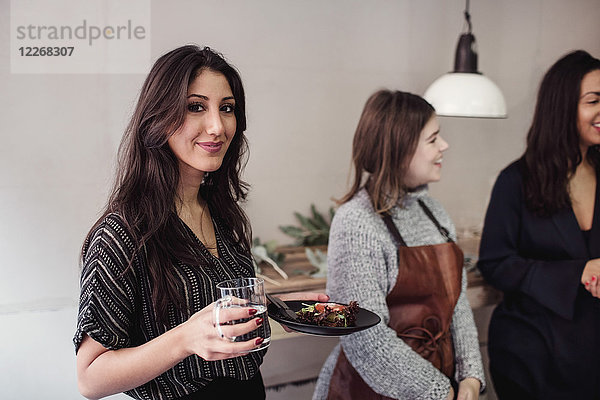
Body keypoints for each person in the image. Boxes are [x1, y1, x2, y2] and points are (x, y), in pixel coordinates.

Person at [73, 45, 328, 400]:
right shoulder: (122, 232)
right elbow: (90, 378)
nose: (217, 126)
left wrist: (271, 307)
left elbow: (204, 304)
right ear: (158, 118)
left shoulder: (222, 214)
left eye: (227, 108)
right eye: (196, 107)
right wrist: (184, 339)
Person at [313, 90, 485, 400]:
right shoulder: (356, 222)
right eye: (433, 140)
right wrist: (440, 392)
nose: (444, 146)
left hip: (444, 381)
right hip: (369, 390)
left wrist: (470, 377)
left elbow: (457, 307)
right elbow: (365, 338)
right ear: (399, 150)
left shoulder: (435, 212)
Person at [477, 50, 600, 399]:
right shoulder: (516, 181)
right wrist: (578, 272)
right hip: (534, 355)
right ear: (562, 107)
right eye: (594, 100)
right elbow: (495, 264)